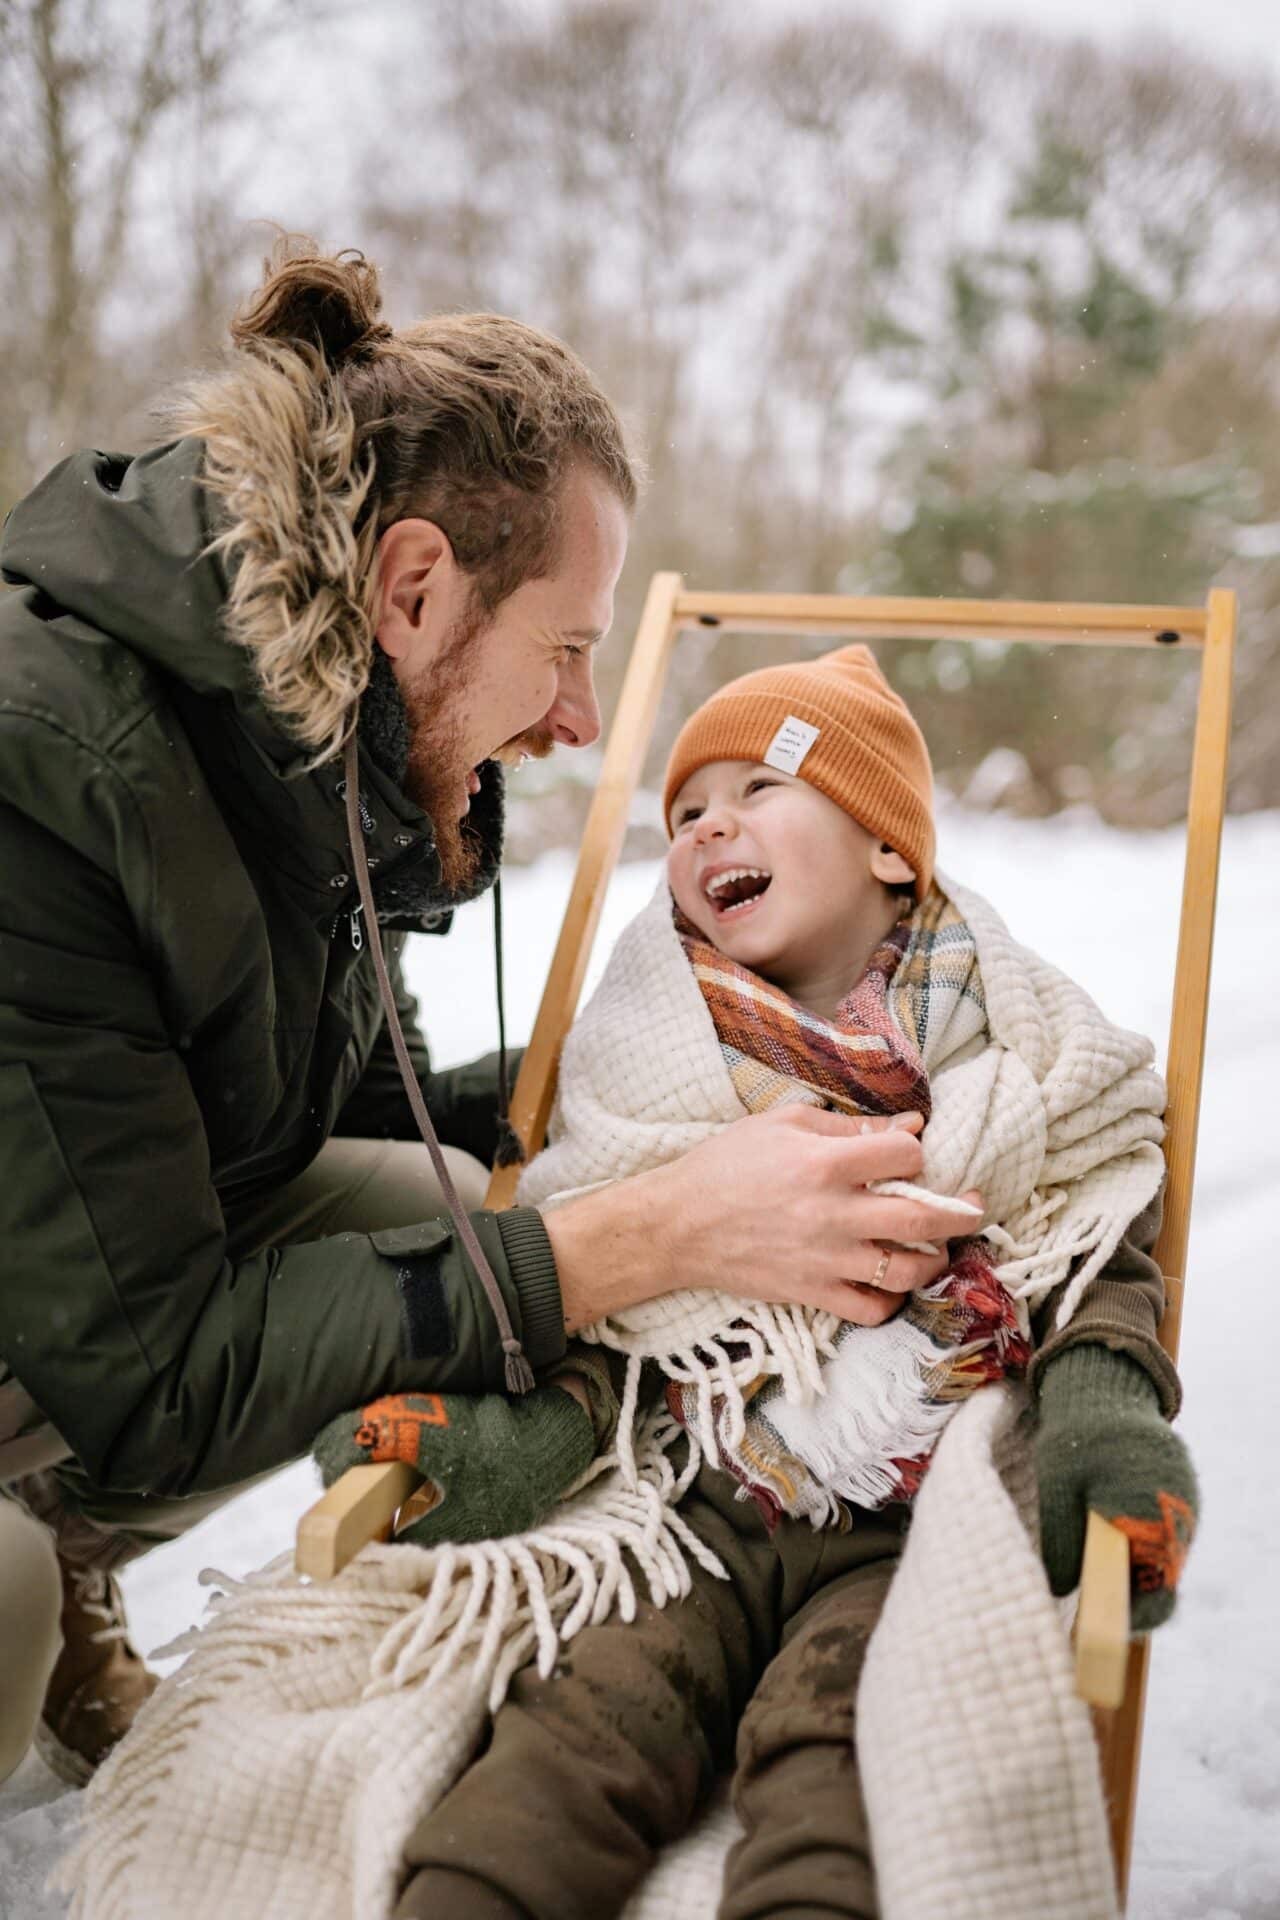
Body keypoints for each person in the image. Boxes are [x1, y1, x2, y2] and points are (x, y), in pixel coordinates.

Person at [0, 244, 967, 1787]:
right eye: (569, 649)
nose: (582, 717)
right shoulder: (51, 768)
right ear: (415, 587)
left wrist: (699, 1068)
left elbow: (330, 1110)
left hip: (68, 1249)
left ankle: (67, 1534)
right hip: (87, 1315)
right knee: (7, 1599)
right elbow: (163, 1375)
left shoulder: (300, 720)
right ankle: (42, 1566)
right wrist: (658, 1235)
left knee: (461, 1201)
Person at [313, 646, 1197, 1920]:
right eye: (683, 813)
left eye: (761, 785)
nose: (708, 824)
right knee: (577, 1723)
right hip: (690, 1498)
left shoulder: (1023, 1070)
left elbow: (1092, 1261)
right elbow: (611, 1302)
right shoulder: (643, 1071)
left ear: (892, 851)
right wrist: (502, 1446)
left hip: (897, 1527)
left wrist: (1106, 1421)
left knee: (840, 1751)